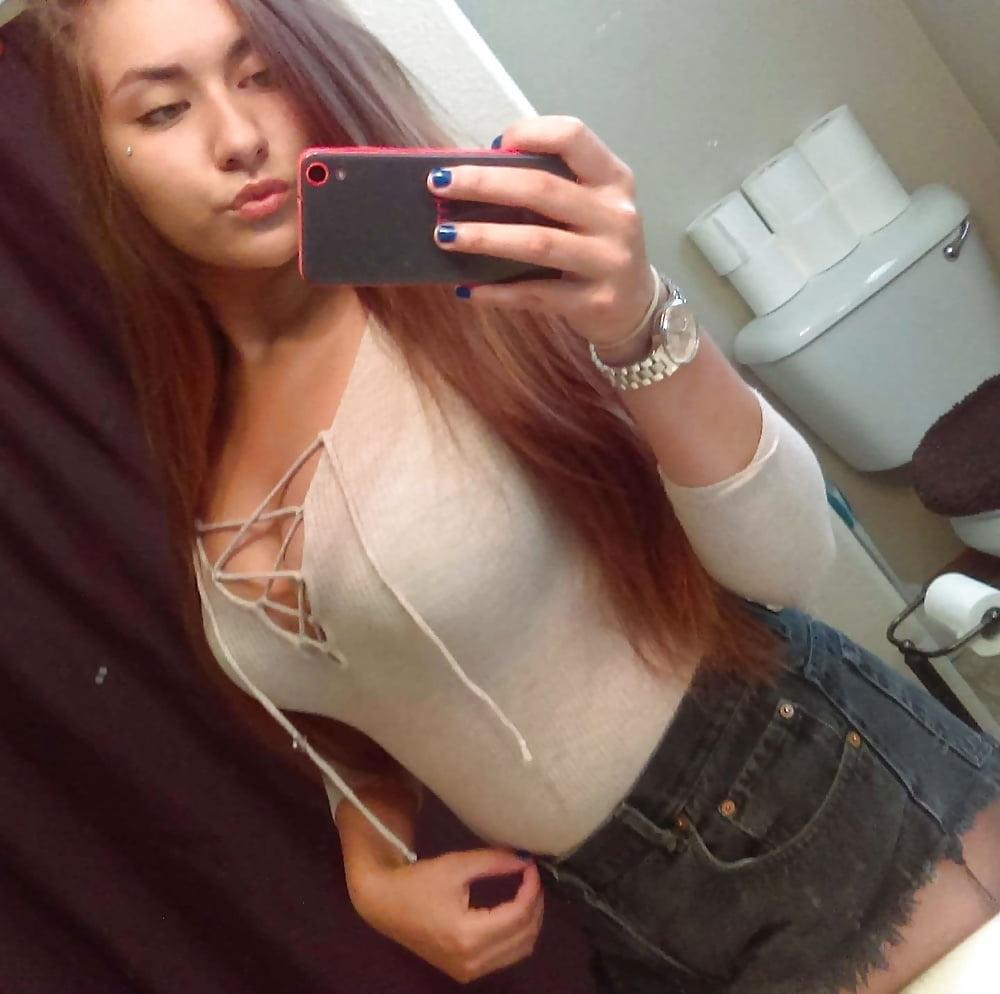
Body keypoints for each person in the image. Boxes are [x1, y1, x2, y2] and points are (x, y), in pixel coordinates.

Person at [26, 0, 1000, 991]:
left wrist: (637, 321)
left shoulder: (465, 285)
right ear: (104, 163)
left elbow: (788, 564)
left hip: (813, 803)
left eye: (260, 73)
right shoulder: (203, 429)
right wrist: (372, 865)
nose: (237, 138)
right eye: (163, 110)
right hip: (626, 920)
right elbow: (364, 676)